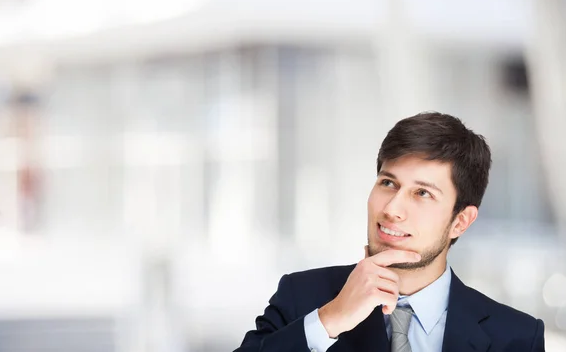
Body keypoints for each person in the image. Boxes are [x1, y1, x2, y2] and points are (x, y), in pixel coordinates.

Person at [234, 112, 545, 352]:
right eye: (388, 183)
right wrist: (330, 320)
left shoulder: (515, 336)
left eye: (422, 193)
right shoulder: (301, 297)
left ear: (460, 221)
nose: (392, 208)